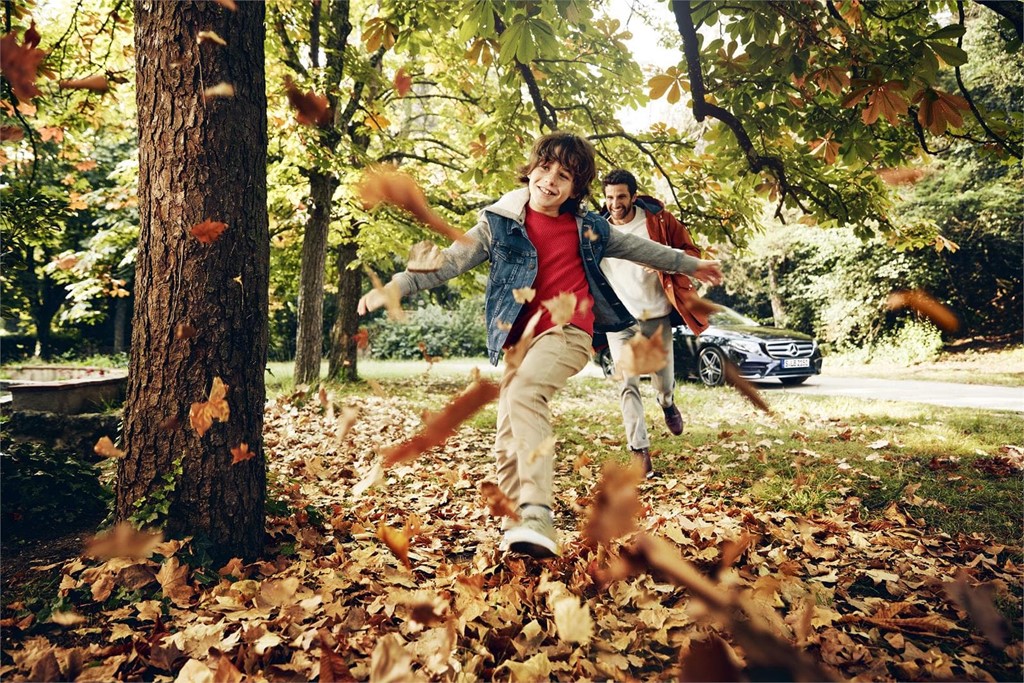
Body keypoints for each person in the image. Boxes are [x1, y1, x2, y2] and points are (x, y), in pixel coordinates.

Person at [358, 132, 722, 559]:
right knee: (507, 433)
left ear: (575, 189)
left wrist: (694, 264)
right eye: (545, 168)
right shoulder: (498, 225)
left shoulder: (588, 228)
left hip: (569, 333)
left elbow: (644, 249)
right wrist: (396, 286)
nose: (550, 180)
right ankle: (518, 525)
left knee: (528, 392)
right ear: (531, 169)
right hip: (520, 344)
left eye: (564, 176)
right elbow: (447, 263)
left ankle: (537, 514)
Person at [599, 169, 711, 479]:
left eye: (621, 196)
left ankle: (667, 404)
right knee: (627, 384)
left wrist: (661, 259)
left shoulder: (659, 221)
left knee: (663, 382)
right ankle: (640, 451)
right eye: (609, 197)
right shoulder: (598, 231)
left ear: (633, 196)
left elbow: (692, 253)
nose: (615, 204)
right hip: (619, 319)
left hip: (655, 315)